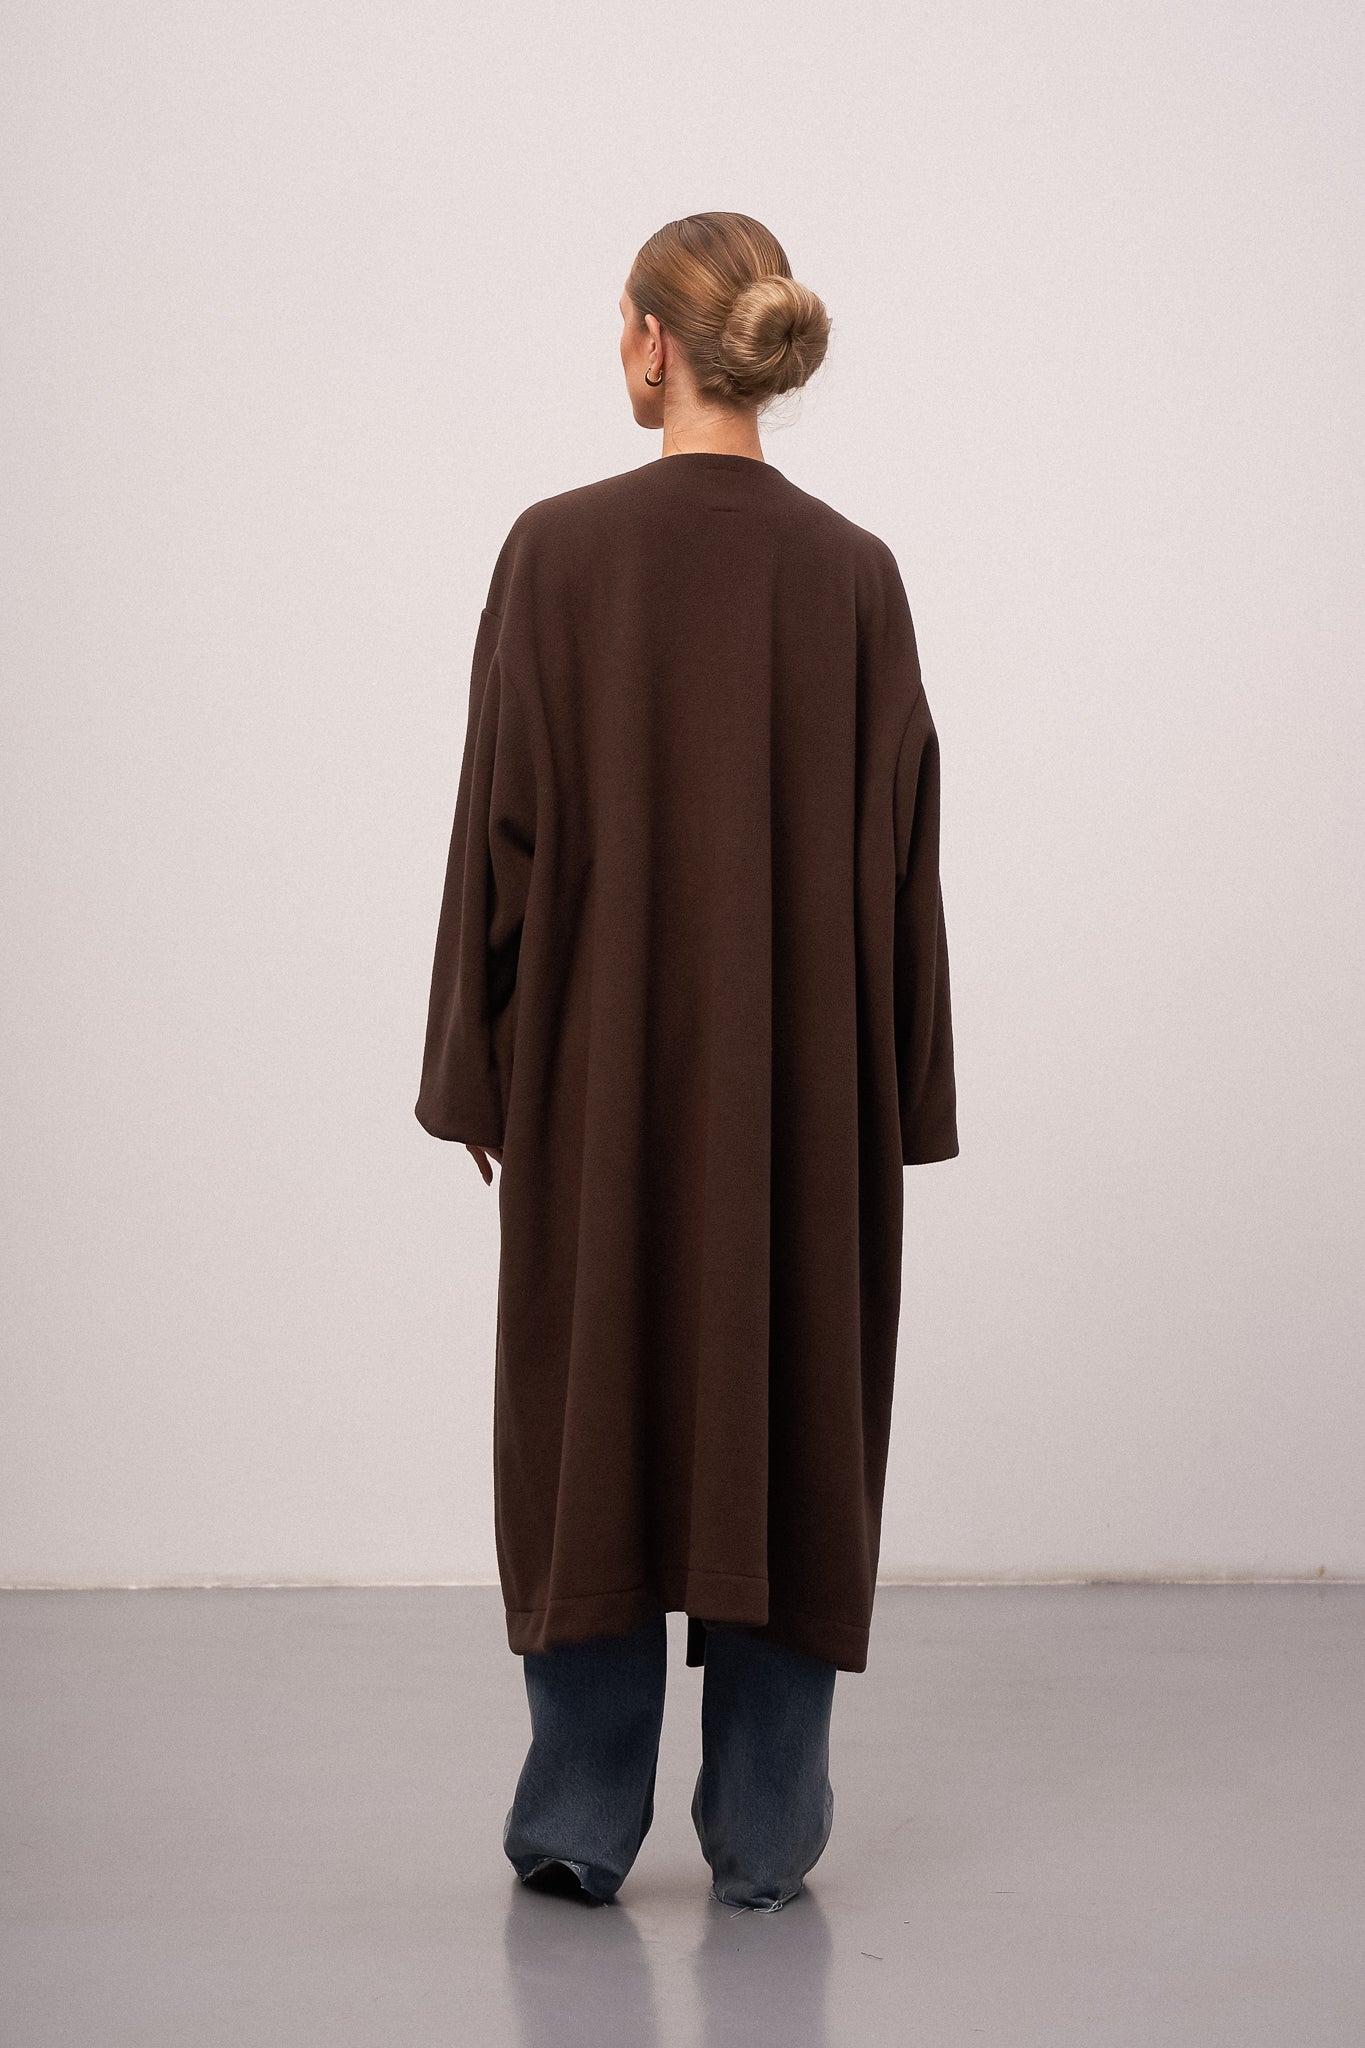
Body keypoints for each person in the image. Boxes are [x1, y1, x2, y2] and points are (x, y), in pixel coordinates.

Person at [415, 211, 959, 1909]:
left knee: (589, 1409)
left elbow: (496, 826)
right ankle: (768, 1830)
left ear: (652, 340)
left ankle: (580, 1818)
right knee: (788, 1402)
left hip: (596, 1078)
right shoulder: (853, 572)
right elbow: (904, 858)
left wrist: (476, 1071)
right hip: (803, 1092)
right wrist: (901, 1097)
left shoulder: (556, 552)